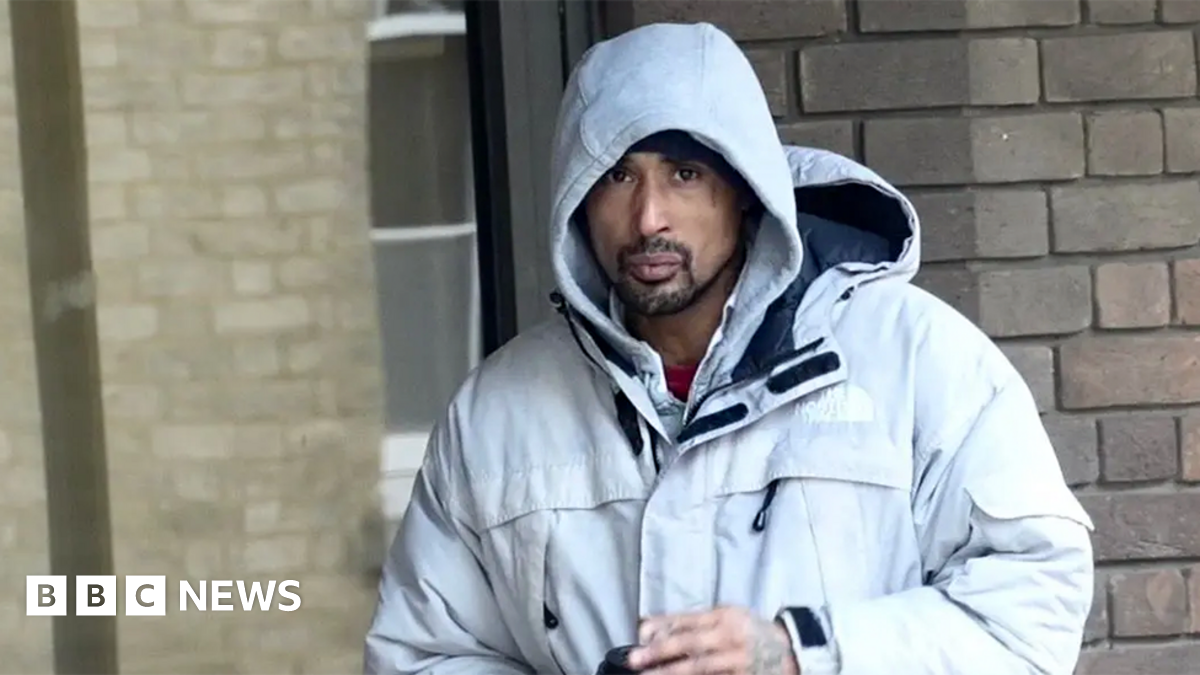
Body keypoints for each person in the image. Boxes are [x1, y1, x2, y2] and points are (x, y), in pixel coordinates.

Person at [363, 21, 1095, 675]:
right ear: (576, 199)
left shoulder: (916, 360)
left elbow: (1029, 614)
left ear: (744, 187)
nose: (649, 217)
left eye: (684, 174)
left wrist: (800, 652)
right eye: (618, 176)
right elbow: (421, 653)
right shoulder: (496, 414)